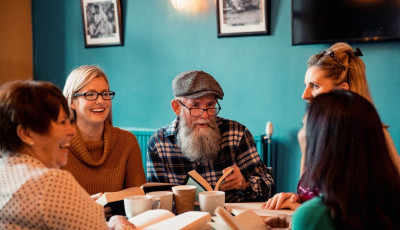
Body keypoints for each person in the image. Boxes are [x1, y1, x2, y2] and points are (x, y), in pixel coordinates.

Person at [262, 42, 400, 211]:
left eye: (315, 86)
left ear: (343, 91)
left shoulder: (373, 134)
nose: (304, 95)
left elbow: (367, 213)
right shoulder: (312, 134)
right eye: (305, 85)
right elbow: (313, 199)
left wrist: (299, 210)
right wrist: (294, 199)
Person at [0, 80, 135, 229]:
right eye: (62, 122)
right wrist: (117, 223)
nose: (71, 131)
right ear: (26, 134)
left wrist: (79, 206)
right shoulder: (50, 182)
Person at [147, 70, 274, 202]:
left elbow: (269, 188)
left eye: (210, 105)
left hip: (230, 218)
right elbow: (156, 200)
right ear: (177, 107)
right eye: (195, 105)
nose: (205, 115)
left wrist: (244, 184)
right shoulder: (158, 143)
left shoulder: (237, 133)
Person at [289, 90, 400, 229]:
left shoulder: (313, 216)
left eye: (305, 126)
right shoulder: (390, 206)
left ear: (324, 140)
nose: (305, 94)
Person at [62, 65, 146, 195]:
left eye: (105, 94)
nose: (101, 101)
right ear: (72, 101)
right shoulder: (58, 144)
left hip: (120, 216)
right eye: (90, 94)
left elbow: (139, 197)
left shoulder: (127, 142)